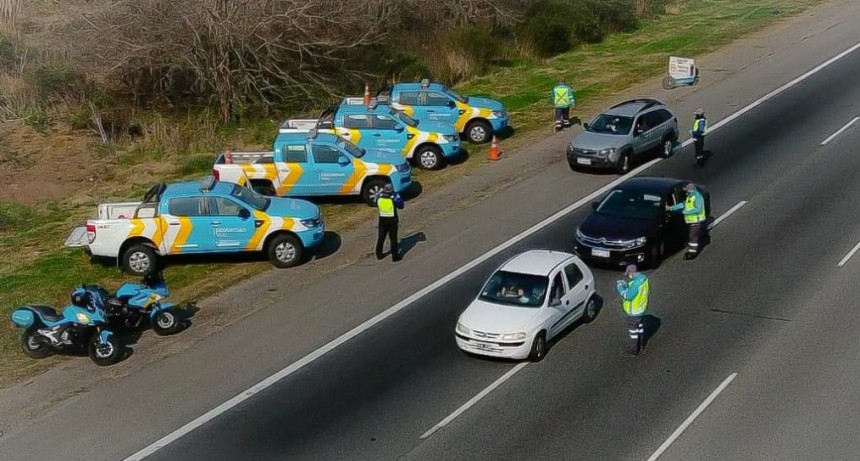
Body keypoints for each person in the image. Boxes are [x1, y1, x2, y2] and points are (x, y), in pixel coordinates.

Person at [616, 264, 649, 356]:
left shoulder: (635, 285)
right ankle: (641, 345)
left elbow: (629, 296)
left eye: (628, 274)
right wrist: (625, 284)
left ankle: (632, 351)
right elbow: (635, 290)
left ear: (631, 273)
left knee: (633, 333)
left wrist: (620, 288)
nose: (628, 276)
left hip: (634, 313)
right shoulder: (643, 278)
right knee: (640, 328)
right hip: (641, 310)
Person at [667, 183, 707, 259]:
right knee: (691, 236)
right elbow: (683, 205)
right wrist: (671, 208)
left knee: (693, 236)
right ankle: (691, 251)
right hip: (691, 221)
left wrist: (686, 212)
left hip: (696, 220)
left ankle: (692, 253)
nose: (686, 192)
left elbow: (698, 209)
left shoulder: (697, 197)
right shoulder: (690, 196)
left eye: (687, 190)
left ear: (691, 190)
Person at [374, 183, 404, 261]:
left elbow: (375, 203)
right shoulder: (394, 196)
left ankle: (379, 255)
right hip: (392, 220)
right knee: (393, 239)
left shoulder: (379, 196)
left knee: (381, 237)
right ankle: (395, 257)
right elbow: (401, 205)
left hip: (382, 219)